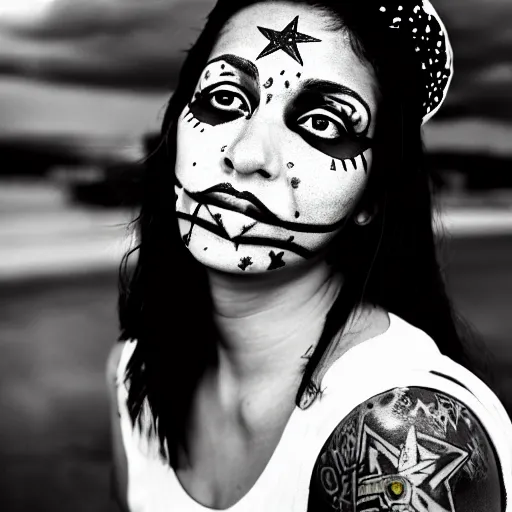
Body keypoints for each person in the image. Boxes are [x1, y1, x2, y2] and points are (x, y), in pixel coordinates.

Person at [107, 0, 512, 510]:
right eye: (226, 97)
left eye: (322, 124)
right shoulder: (133, 375)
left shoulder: (401, 432)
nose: (248, 154)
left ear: (373, 196)